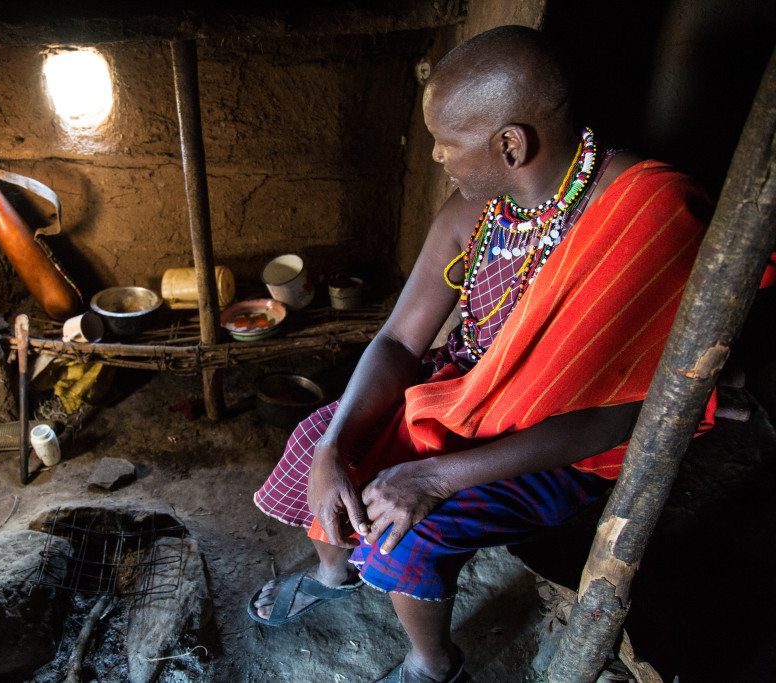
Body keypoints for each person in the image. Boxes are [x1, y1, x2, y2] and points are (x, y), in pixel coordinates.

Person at [248, 25, 715, 683]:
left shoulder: (641, 213)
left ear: (511, 144)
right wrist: (331, 451)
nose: (436, 155)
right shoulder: (476, 215)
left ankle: (433, 662)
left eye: (446, 142)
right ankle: (333, 571)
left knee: (406, 536)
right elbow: (400, 342)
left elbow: (624, 416)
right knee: (319, 439)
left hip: (557, 443)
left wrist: (438, 477)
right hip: (458, 398)